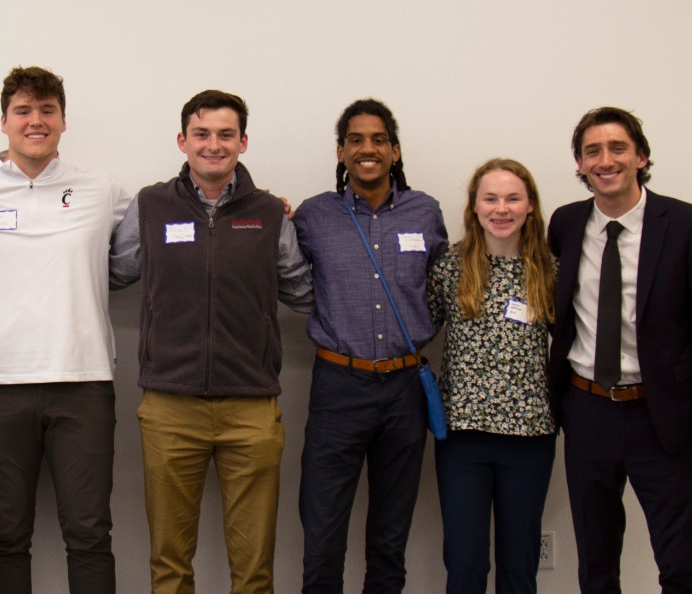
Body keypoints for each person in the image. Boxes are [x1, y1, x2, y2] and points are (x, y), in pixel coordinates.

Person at [109, 90, 312, 593]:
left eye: (225, 134)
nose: (213, 145)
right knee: (170, 565)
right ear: (182, 141)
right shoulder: (151, 205)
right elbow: (113, 272)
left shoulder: (268, 212)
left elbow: (304, 290)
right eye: (202, 134)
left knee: (254, 570)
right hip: (169, 406)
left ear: (243, 141)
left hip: (252, 409)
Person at [0, 66, 132, 594]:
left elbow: (173, 217)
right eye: (24, 111)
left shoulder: (100, 189)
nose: (36, 121)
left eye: (47, 110)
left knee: (90, 533)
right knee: (6, 536)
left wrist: (266, 204)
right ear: (3, 121)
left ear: (63, 120)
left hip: (84, 382)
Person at [548, 107, 692, 594]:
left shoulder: (688, 225)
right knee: (595, 562)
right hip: (587, 411)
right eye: (593, 151)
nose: (605, 159)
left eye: (617, 148)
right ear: (580, 163)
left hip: (663, 417)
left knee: (677, 564)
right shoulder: (566, 225)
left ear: (641, 157)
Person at [293, 98, 448, 594]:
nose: (368, 149)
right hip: (339, 386)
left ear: (395, 151)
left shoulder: (426, 212)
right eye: (356, 140)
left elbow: (442, 287)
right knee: (322, 536)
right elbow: (284, 275)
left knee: (389, 537)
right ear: (340, 152)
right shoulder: (314, 215)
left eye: (378, 139)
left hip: (405, 390)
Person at [426, 158, 557, 594]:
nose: (502, 209)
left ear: (531, 206)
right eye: (491, 198)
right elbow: (416, 327)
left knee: (519, 565)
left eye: (513, 198)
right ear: (474, 207)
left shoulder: (550, 272)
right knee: (465, 564)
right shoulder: (450, 268)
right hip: (463, 438)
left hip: (530, 437)